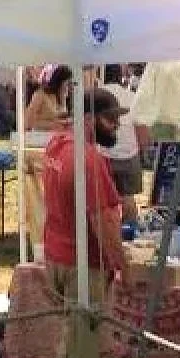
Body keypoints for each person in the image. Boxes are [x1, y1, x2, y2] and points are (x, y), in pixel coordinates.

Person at [42, 87, 128, 307]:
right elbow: (104, 220)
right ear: (89, 119)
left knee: (62, 327)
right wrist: (124, 267)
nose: (117, 125)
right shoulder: (89, 159)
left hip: (55, 257)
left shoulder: (55, 145)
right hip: (84, 266)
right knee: (85, 329)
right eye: (110, 119)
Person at [98, 65, 143, 221]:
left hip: (103, 155)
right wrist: (141, 151)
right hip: (129, 154)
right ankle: (130, 229)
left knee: (103, 199)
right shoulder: (132, 97)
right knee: (128, 198)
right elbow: (142, 131)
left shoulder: (96, 97)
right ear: (120, 76)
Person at [24, 65, 73, 134]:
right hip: (40, 136)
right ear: (59, 82)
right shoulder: (40, 95)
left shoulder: (62, 97)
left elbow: (60, 117)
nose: (70, 87)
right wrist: (52, 124)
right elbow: (27, 123)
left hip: (57, 135)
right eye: (67, 84)